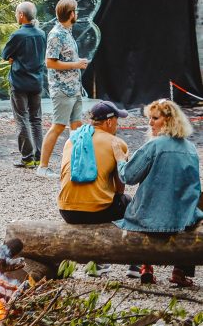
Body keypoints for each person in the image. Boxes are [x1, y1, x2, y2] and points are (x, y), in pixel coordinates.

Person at [113, 99, 203, 287]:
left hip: (148, 217)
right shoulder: (191, 149)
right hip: (181, 219)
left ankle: (145, 267)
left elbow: (128, 177)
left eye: (154, 118)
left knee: (133, 202)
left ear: (169, 120)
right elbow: (194, 188)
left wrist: (120, 160)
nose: (149, 123)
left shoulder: (153, 146)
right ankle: (179, 271)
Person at [57, 101, 131, 276]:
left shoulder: (72, 139)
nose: (118, 125)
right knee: (127, 202)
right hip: (96, 212)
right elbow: (121, 184)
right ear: (108, 122)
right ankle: (133, 264)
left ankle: (95, 262)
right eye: (117, 120)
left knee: (99, 195)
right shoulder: (116, 142)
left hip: (66, 210)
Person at [38, 0, 90, 178]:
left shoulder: (67, 32)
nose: (77, 13)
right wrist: (77, 64)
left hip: (74, 89)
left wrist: (77, 64)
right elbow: (50, 63)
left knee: (76, 127)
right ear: (71, 14)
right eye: (75, 11)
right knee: (58, 127)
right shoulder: (56, 34)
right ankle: (42, 167)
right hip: (62, 90)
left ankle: (74, 166)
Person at [2, 1, 46, 168]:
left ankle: (27, 158)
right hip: (36, 83)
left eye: (16, 12)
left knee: (22, 119)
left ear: (21, 15)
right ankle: (39, 157)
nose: (16, 15)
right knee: (36, 120)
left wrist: (13, 58)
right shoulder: (41, 34)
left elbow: (5, 55)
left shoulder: (18, 35)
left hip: (19, 83)